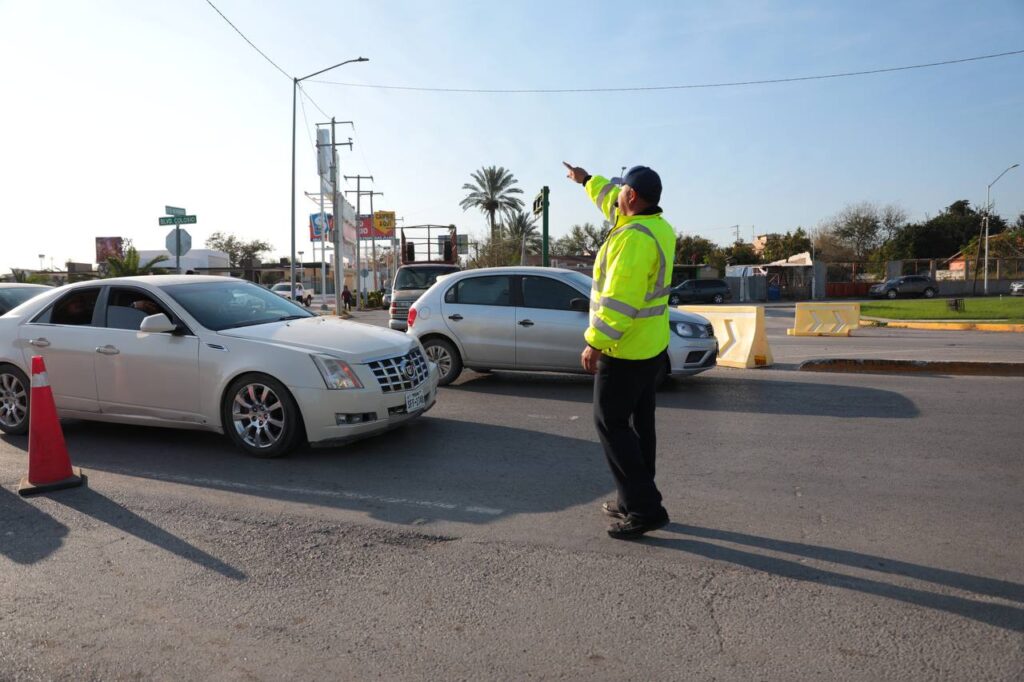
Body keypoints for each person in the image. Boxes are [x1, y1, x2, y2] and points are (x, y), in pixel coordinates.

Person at [563, 161, 676, 540]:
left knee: (610, 423)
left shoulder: (633, 240)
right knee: (640, 427)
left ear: (632, 196)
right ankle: (633, 498)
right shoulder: (657, 227)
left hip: (624, 350)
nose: (616, 195)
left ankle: (645, 508)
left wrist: (595, 342)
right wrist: (585, 181)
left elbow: (620, 301)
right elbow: (607, 197)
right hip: (651, 346)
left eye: (621, 190)